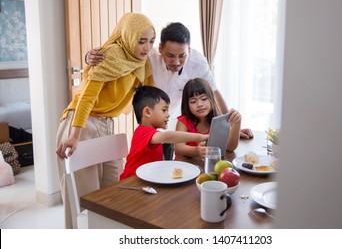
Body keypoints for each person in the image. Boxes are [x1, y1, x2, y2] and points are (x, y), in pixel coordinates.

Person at [55, 12, 155, 228]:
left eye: (151, 41)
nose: (146, 47)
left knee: (112, 192)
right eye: (141, 41)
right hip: (82, 122)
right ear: (128, 36)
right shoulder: (110, 54)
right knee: (85, 197)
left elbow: (150, 94)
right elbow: (86, 99)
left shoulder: (141, 61)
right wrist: (74, 136)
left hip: (107, 122)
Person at [86, 22, 253, 139]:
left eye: (182, 56)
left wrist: (229, 130)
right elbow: (120, 52)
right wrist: (89, 57)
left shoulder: (198, 62)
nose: (176, 62)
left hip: (176, 119)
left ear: (189, 49)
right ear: (160, 49)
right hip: (149, 118)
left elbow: (214, 93)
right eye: (170, 56)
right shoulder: (148, 56)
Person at [120, 85, 208, 180]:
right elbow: (167, 136)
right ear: (147, 112)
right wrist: (201, 137)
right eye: (164, 110)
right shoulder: (143, 131)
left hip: (146, 180)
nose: (168, 114)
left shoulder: (152, 133)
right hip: (131, 182)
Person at [175, 78, 241, 159]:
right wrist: (196, 151)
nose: (199, 104)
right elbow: (178, 149)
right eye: (193, 101)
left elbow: (230, 148)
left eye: (204, 99)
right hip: (186, 166)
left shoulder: (219, 121)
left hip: (208, 166)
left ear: (212, 99)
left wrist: (237, 124)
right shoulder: (183, 121)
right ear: (187, 105)